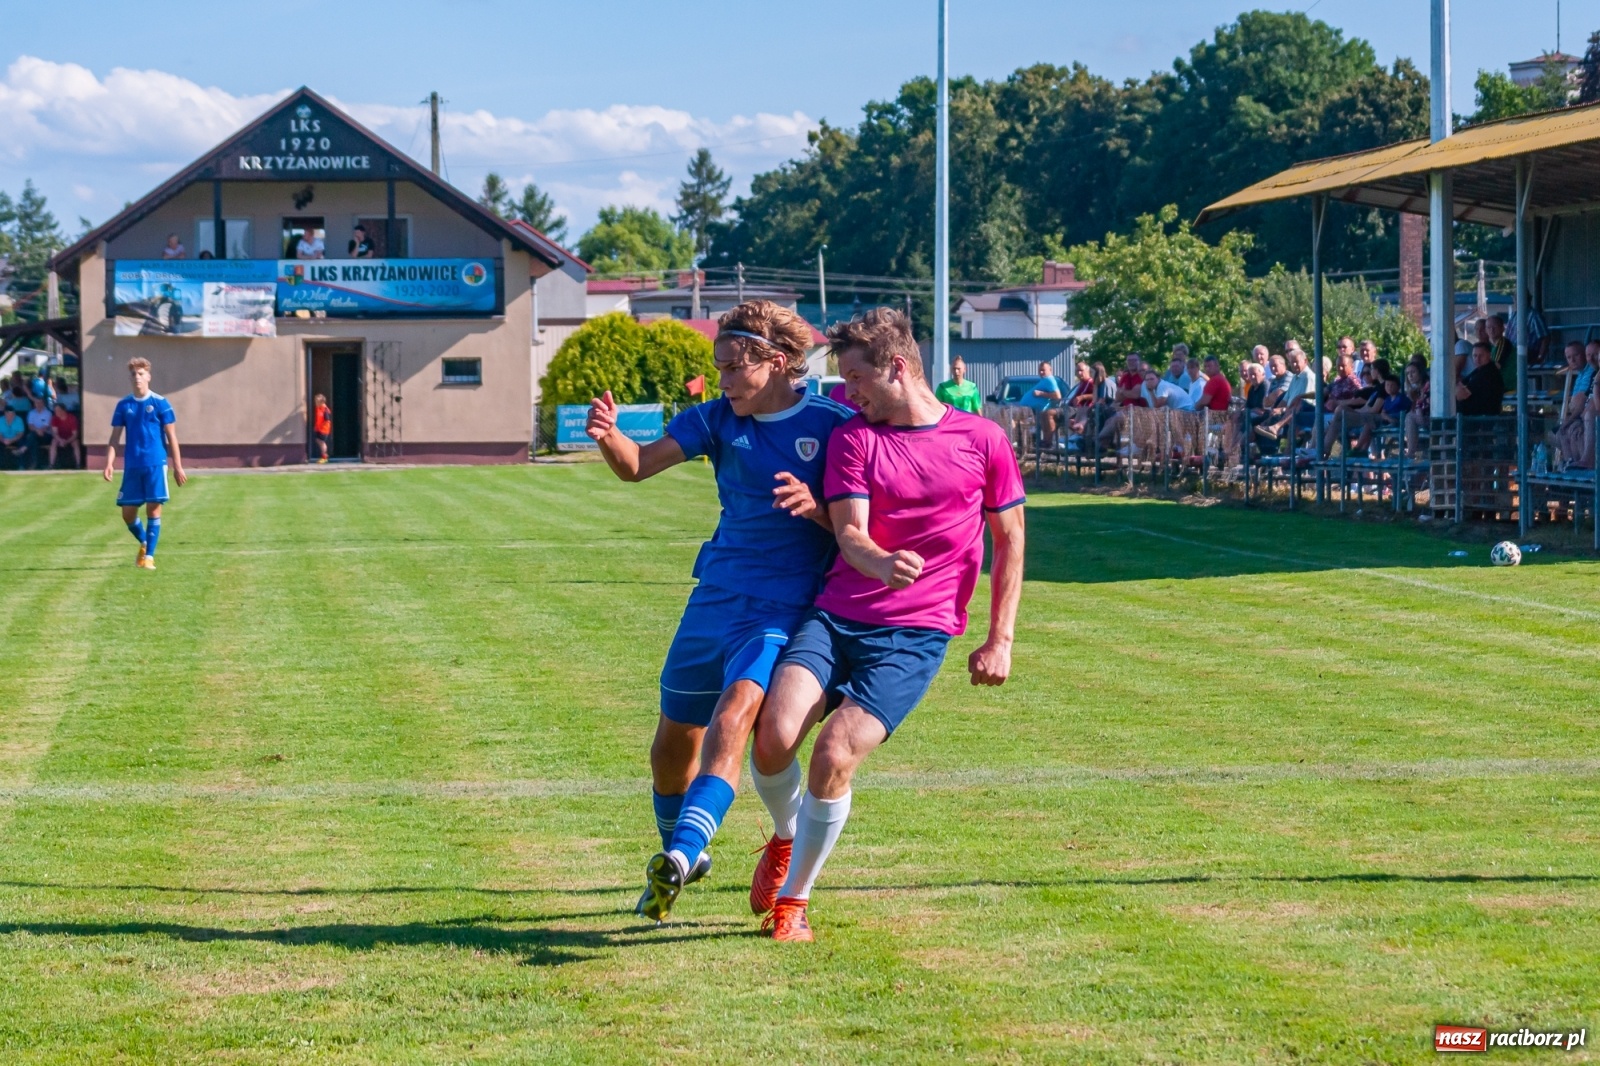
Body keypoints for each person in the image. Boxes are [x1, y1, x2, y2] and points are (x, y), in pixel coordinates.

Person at [737, 307, 1025, 942]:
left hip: (915, 636)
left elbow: (1011, 539)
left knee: (834, 752)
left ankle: (794, 901)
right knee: (773, 736)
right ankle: (785, 838)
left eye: (856, 379)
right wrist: (880, 562)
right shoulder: (855, 438)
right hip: (838, 615)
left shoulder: (983, 440)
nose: (846, 394)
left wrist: (999, 639)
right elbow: (850, 535)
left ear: (897, 367)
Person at [591, 300, 856, 924]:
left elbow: (870, 496)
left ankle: (681, 858)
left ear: (779, 361)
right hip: (712, 598)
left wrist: (819, 505)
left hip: (781, 607)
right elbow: (637, 467)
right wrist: (610, 438)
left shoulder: (834, 421)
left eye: (737, 367)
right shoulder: (714, 419)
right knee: (669, 746)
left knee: (735, 714)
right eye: (720, 368)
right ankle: (679, 852)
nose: (726, 380)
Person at [103, 357, 188, 570]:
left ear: (148, 376)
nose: (137, 378)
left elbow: (172, 437)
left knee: (153, 509)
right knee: (127, 513)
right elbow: (114, 438)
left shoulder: (161, 403)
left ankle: (149, 556)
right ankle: (144, 541)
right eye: (133, 374)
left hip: (155, 463)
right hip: (132, 465)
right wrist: (109, 463)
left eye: (141, 374)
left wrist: (177, 465)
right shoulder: (124, 405)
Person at [1455, 342, 1506, 416]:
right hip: (1472, 418)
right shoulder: (1479, 370)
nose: (1477, 359)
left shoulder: (1489, 373)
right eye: (1474, 356)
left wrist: (1456, 390)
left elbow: (1461, 395)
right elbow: (1461, 383)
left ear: (1489, 355)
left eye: (1481, 356)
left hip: (1481, 420)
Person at [1022, 361, 1063, 446]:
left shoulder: (1050, 380)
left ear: (1050, 370)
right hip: (1032, 411)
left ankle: (1046, 442)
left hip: (1033, 411)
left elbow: (1058, 396)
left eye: (1043, 370)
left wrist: (1040, 393)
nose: (1041, 372)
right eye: (1040, 370)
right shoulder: (1044, 380)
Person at [48, 402, 79, 469]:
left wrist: (66, 441)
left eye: (58, 410)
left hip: (70, 438)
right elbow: (54, 433)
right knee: (53, 442)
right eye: (55, 410)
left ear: (63, 410)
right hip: (59, 438)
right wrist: (61, 440)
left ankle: (78, 464)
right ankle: (51, 464)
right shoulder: (54, 419)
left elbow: (75, 434)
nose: (56, 412)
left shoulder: (72, 418)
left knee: (76, 443)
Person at [25, 395, 52, 469]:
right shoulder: (31, 413)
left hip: (46, 435)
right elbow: (30, 426)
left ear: (43, 404)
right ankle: (36, 464)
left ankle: (24, 448)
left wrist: (39, 431)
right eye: (36, 403)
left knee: (31, 437)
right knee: (34, 440)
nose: (38, 404)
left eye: (40, 403)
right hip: (35, 435)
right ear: (34, 404)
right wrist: (37, 431)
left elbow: (46, 427)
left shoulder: (48, 413)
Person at [312, 394, 332, 463]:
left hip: (324, 429)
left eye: (317, 401)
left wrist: (322, 429)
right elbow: (318, 419)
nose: (315, 403)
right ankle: (324, 455)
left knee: (322, 442)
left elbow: (327, 421)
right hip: (319, 429)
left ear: (322, 402)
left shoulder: (325, 410)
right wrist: (316, 427)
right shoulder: (318, 408)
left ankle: (324, 457)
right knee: (318, 440)